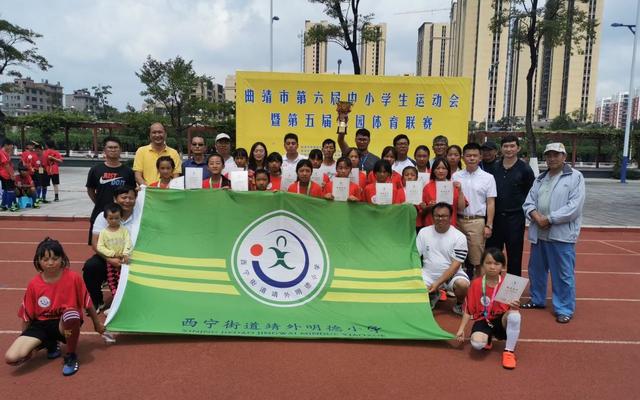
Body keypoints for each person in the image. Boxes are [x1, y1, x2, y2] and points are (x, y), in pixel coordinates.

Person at [5, 238, 105, 376]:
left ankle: (71, 356)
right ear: (38, 261)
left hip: (63, 324)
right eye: (45, 259)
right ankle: (50, 343)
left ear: (62, 258)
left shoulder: (73, 278)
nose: (50, 263)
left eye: (55, 258)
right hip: (41, 325)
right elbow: (27, 315)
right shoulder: (34, 284)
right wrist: (25, 338)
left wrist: (97, 323)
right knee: (11, 358)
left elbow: (87, 303)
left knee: (71, 315)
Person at [522, 142, 585, 324]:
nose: (552, 158)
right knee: (536, 270)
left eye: (556, 155)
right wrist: (535, 215)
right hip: (539, 233)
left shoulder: (575, 177)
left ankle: (564, 308)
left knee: (563, 274)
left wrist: (549, 219)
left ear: (564, 157)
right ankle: (537, 299)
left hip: (561, 235)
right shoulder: (540, 178)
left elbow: (574, 207)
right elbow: (528, 202)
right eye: (549, 155)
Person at [455, 248, 522, 370]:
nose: (492, 267)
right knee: (476, 344)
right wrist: (461, 329)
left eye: (496, 264)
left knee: (515, 315)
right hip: (483, 320)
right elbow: (468, 310)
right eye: (488, 263)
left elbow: (512, 309)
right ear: (482, 265)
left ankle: (509, 352)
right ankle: (488, 339)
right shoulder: (475, 284)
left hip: (501, 320)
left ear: (502, 267)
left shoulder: (509, 284)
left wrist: (514, 305)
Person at [83, 186, 140, 311]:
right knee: (91, 267)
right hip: (108, 256)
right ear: (115, 199)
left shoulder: (140, 215)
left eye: (131, 197)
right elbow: (95, 243)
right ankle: (98, 301)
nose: (127, 201)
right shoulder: (103, 216)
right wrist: (110, 259)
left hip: (132, 257)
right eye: (123, 197)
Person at [486, 136, 535, 276]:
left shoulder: (525, 169)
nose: (509, 149)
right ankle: (492, 286)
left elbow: (530, 194)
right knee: (493, 255)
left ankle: (512, 292)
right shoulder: (494, 167)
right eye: (505, 146)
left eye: (512, 146)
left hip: (515, 218)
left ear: (518, 148)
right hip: (495, 218)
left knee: (514, 256)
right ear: (501, 149)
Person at [416, 202, 469, 316]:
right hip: (428, 274)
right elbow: (415, 256)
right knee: (414, 288)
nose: (440, 218)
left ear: (450, 217)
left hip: (452, 275)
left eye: (444, 216)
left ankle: (459, 303)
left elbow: (455, 266)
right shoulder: (423, 232)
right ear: (433, 216)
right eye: (437, 215)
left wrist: (437, 283)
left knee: (463, 285)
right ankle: (434, 294)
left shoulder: (460, 237)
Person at [453, 143, 496, 278]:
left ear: (480, 157)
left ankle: (478, 290)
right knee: (456, 258)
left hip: (476, 222)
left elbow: (490, 203)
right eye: (468, 155)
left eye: (475, 155)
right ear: (463, 158)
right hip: (457, 221)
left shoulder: (488, 177)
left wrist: (489, 225)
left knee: (477, 260)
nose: (471, 158)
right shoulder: (455, 176)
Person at [86, 136, 136, 245]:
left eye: (116, 147)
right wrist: (99, 203)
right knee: (99, 245)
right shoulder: (95, 170)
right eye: (110, 147)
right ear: (104, 150)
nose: (113, 150)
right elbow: (90, 190)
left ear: (120, 150)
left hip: (120, 216)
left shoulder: (128, 171)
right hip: (101, 212)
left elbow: (132, 193)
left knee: (120, 244)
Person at [96, 203, 132, 297]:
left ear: (121, 217)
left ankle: (123, 299)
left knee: (123, 281)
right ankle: (115, 301)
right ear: (106, 218)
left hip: (124, 261)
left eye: (116, 218)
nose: (114, 220)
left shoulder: (124, 230)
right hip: (111, 262)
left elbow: (128, 242)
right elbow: (100, 247)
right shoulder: (104, 232)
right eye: (111, 218)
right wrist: (112, 254)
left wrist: (125, 254)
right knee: (112, 282)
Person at [422, 157, 466, 227]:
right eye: (438, 168)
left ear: (448, 170)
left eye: (444, 168)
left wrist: (460, 191)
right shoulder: (427, 187)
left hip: (450, 225)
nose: (441, 171)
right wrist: (429, 207)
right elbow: (422, 211)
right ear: (433, 170)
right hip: (431, 225)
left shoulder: (454, 186)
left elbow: (461, 208)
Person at [402, 165, 426, 232]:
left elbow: (424, 212)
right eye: (406, 175)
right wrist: (401, 206)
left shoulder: (422, 192)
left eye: (412, 175)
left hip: (417, 224)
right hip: (403, 223)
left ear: (417, 177)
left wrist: (423, 208)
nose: (409, 177)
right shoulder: (398, 192)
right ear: (402, 177)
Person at [0, 139, 18, 211]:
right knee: (10, 190)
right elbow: (6, 165)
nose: (12, 147)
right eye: (11, 145)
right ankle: (10, 206)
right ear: (6, 145)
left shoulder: (5, 152)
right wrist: (12, 175)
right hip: (5, 174)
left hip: (5, 173)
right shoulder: (2, 153)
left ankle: (3, 205)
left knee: (6, 189)